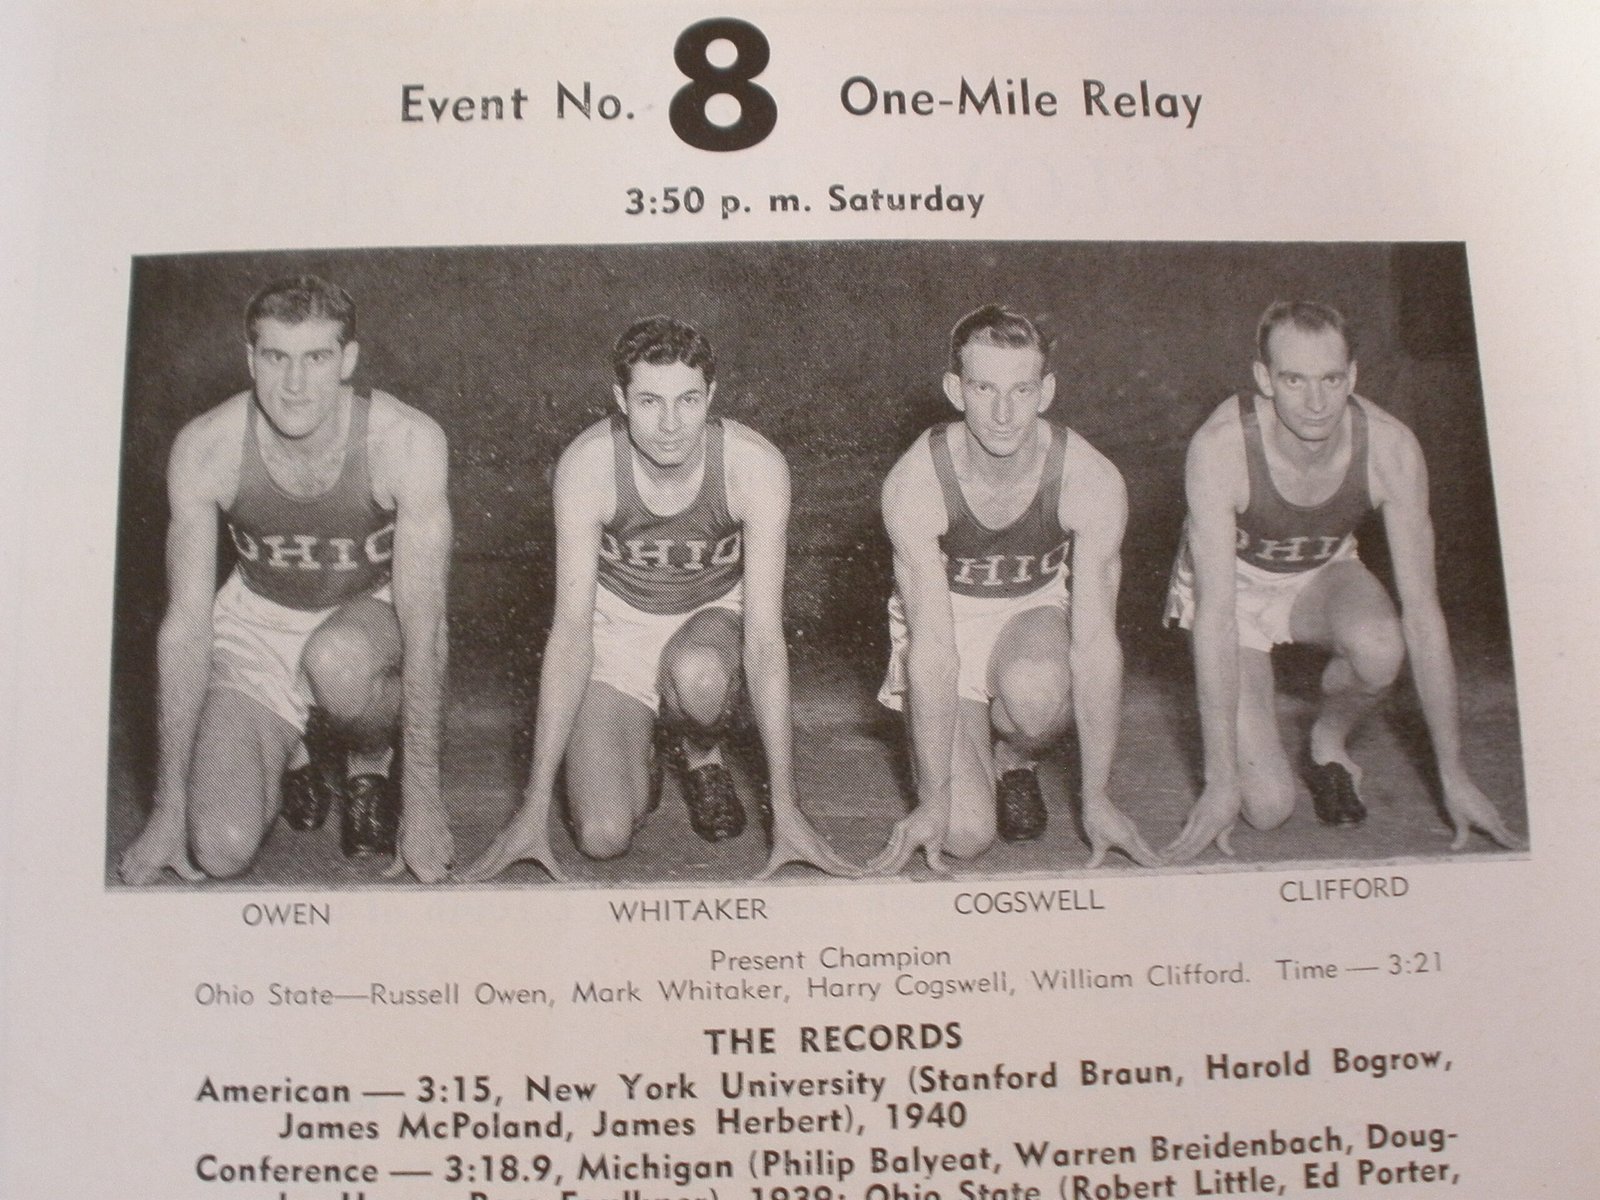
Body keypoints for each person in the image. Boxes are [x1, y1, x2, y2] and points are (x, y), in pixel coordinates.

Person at [464, 316, 854, 881]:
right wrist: (531, 810)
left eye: (687, 400)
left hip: (708, 624)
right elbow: (570, 634)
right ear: (621, 398)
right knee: (602, 837)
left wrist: (787, 809)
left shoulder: (754, 465)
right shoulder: (588, 465)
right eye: (650, 401)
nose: (671, 424)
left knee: (698, 675)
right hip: (615, 635)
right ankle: (641, 749)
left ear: (711, 397)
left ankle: (701, 751)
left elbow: (765, 640)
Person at [118, 275, 454, 884]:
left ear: (347, 360)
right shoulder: (207, 446)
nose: (294, 384)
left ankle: (368, 762)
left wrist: (425, 802)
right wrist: (167, 811)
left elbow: (426, 626)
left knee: (339, 660)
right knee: (219, 850)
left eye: (316, 358)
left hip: (365, 619)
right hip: (258, 623)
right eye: (276, 357)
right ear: (251, 359)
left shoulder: (406, 441)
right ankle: (291, 749)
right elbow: (185, 628)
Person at [1164, 299, 1523, 861]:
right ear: (1264, 379)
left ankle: (1328, 743)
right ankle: (1256, 753)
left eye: (1331, 379)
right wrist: (1219, 779)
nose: (1316, 402)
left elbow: (1423, 615)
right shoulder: (1220, 447)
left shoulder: (1390, 448)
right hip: (1230, 594)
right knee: (1266, 807)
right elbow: (1213, 617)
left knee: (1381, 646)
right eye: (1294, 380)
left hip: (1319, 575)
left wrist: (1455, 775)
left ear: (1352, 376)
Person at [872, 304, 1160, 873]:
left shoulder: (1089, 478)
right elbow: (932, 650)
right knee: (963, 834)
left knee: (1035, 694)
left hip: (1032, 615)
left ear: (1045, 391)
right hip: (944, 625)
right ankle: (965, 757)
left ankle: (1014, 758)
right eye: (985, 389)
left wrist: (1097, 797)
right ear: (955, 390)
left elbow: (1096, 645)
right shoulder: (916, 482)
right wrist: (933, 802)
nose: (1003, 414)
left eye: (1021, 390)